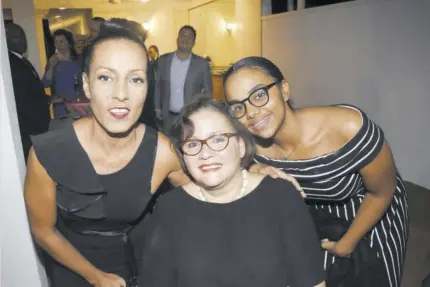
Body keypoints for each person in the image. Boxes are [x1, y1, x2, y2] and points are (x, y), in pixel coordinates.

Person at [24, 19, 187, 287]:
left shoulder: (162, 152)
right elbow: (42, 230)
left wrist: (250, 177)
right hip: (72, 269)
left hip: (137, 267)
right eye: (105, 77)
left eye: (135, 79)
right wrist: (96, 278)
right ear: (87, 85)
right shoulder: (48, 153)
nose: (120, 94)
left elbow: (207, 195)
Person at [223, 57, 408, 287]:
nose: (251, 113)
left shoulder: (348, 128)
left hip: (370, 206)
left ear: (284, 89)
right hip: (318, 211)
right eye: (238, 106)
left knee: (374, 276)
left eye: (259, 94)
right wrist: (257, 167)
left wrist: (346, 245)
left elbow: (381, 193)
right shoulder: (249, 143)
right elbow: (231, 177)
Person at [139, 99, 326, 287]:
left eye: (218, 139)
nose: (205, 154)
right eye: (193, 144)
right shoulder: (170, 208)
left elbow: (311, 282)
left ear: (241, 145)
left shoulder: (281, 196)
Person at [154, 25, 213, 133]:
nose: (185, 38)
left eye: (189, 36)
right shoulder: (163, 60)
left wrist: (199, 109)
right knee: (168, 147)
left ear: (194, 42)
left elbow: (208, 91)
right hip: (167, 118)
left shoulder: (202, 64)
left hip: (190, 118)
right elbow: (157, 86)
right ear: (177, 39)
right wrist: (157, 107)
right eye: (182, 35)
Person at [6, 23, 50, 162]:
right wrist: (46, 101)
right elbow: (23, 100)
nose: (24, 41)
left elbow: (31, 91)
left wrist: (47, 98)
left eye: (23, 37)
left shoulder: (20, 60)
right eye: (18, 37)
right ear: (8, 39)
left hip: (35, 128)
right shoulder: (11, 64)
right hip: (30, 129)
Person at [43, 29, 80, 118]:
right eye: (56, 42)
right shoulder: (53, 62)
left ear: (69, 43)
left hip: (77, 106)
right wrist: (51, 66)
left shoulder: (78, 61)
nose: (58, 45)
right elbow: (45, 84)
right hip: (60, 108)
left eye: (61, 41)